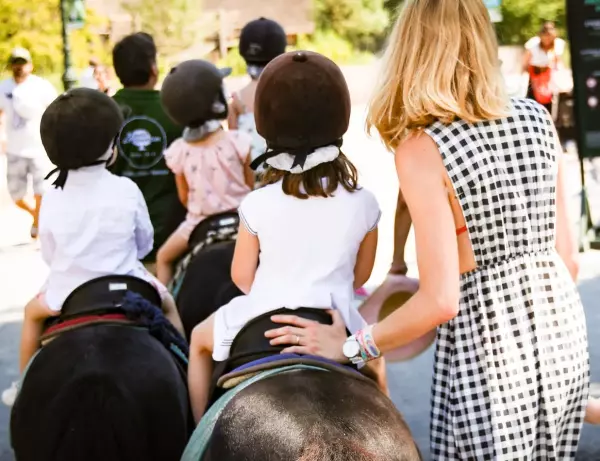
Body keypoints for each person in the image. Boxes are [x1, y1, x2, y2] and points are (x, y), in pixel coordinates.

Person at [265, 1, 591, 459]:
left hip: (488, 352)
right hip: (561, 337)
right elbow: (568, 259)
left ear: (411, 48)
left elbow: (441, 300)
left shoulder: (423, 147)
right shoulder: (538, 120)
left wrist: (352, 346)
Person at [187, 51, 385, 422]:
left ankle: (197, 431)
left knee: (199, 341)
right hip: (335, 317)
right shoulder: (365, 203)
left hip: (264, 313)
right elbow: (360, 278)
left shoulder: (257, 202)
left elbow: (241, 278)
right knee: (379, 362)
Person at [1, 88, 184, 407]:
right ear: (111, 146)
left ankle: (23, 388)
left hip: (68, 292)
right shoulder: (126, 188)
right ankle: (183, 368)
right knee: (168, 305)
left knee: (32, 315)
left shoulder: (52, 194)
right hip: (130, 286)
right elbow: (144, 244)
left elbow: (49, 252)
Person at [156, 60, 254, 285]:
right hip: (243, 218)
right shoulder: (238, 141)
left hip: (197, 223)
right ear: (218, 103)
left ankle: (167, 312)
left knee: (163, 258)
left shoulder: (178, 151)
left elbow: (184, 197)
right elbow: (250, 186)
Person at [110, 33, 186, 272]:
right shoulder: (176, 108)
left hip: (122, 242)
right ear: (154, 68)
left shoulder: (105, 112)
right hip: (173, 238)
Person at [0, 47, 57, 239]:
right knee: (16, 195)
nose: (19, 67)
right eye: (16, 63)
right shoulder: (3, 87)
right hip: (15, 148)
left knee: (41, 189)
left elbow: (55, 110)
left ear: (30, 65)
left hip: (38, 146)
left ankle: (38, 222)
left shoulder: (41, 86)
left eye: (22, 63)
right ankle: (38, 218)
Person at [227, 17, 287, 175]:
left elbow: (235, 151)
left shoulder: (235, 102)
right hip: (283, 179)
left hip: (251, 180)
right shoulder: (288, 95)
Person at [523, 21, 566, 113]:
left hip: (549, 77)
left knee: (549, 103)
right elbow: (526, 61)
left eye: (549, 36)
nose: (547, 39)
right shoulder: (533, 44)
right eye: (545, 35)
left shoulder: (557, 44)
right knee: (533, 103)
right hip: (535, 74)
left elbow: (558, 61)